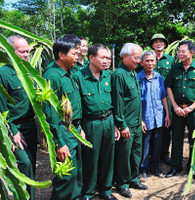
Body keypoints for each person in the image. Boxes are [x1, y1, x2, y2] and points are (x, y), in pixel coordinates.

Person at [73, 44, 119, 200]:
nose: (107, 61)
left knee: (108, 157)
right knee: (90, 158)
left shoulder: (109, 76)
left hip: (108, 120)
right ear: (91, 58)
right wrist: (79, 127)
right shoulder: (79, 77)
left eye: (108, 58)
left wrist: (115, 126)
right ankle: (88, 192)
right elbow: (77, 105)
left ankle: (106, 190)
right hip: (90, 123)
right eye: (103, 58)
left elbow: (114, 101)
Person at [43, 37, 83, 200]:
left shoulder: (69, 72)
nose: (77, 57)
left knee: (76, 172)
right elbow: (50, 114)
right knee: (66, 175)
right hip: (63, 131)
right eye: (74, 54)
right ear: (61, 55)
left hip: (74, 129)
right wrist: (59, 143)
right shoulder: (52, 76)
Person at [165, 41, 195, 179]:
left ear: (191, 53)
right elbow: (169, 87)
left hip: (193, 110)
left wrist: (192, 107)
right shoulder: (175, 68)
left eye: (183, 51)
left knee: (194, 139)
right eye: (179, 51)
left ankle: (193, 168)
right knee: (177, 138)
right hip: (177, 109)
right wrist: (174, 106)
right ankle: (175, 166)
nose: (180, 54)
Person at [0, 35, 37, 199]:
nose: (26, 55)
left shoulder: (29, 72)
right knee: (24, 164)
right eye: (22, 51)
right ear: (9, 51)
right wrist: (11, 132)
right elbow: (1, 108)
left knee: (31, 169)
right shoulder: (3, 73)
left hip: (31, 127)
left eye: (28, 52)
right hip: (14, 129)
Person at [111, 43, 148, 198]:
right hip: (126, 124)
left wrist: (140, 120)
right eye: (136, 57)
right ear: (125, 57)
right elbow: (118, 102)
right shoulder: (119, 75)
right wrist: (121, 124)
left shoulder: (133, 73)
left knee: (136, 153)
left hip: (136, 123)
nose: (138, 61)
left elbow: (135, 101)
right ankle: (122, 183)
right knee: (123, 156)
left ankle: (133, 179)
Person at [137, 50, 170, 181]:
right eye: (147, 61)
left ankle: (155, 166)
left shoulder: (159, 77)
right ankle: (143, 169)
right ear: (142, 63)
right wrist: (140, 120)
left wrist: (167, 114)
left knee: (157, 143)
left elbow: (163, 97)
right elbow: (137, 102)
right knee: (145, 144)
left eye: (152, 61)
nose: (150, 63)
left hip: (159, 117)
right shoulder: (138, 78)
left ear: (156, 62)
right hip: (145, 117)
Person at [149, 33, 175, 165]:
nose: (158, 44)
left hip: (167, 99)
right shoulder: (148, 58)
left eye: (161, 42)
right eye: (156, 42)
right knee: (152, 126)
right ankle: (153, 154)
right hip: (151, 97)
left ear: (165, 44)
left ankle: (165, 153)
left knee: (167, 126)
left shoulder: (171, 60)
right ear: (152, 45)